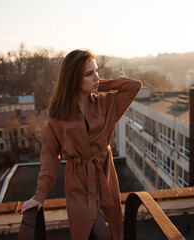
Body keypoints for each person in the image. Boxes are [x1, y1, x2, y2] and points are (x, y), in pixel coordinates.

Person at [21, 49, 142, 240]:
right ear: (73, 79)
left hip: (105, 175)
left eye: (96, 71)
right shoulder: (58, 116)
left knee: (111, 231)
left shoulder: (107, 103)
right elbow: (50, 156)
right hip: (77, 183)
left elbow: (134, 86)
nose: (96, 77)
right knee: (97, 234)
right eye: (89, 74)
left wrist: (102, 85)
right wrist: (39, 195)